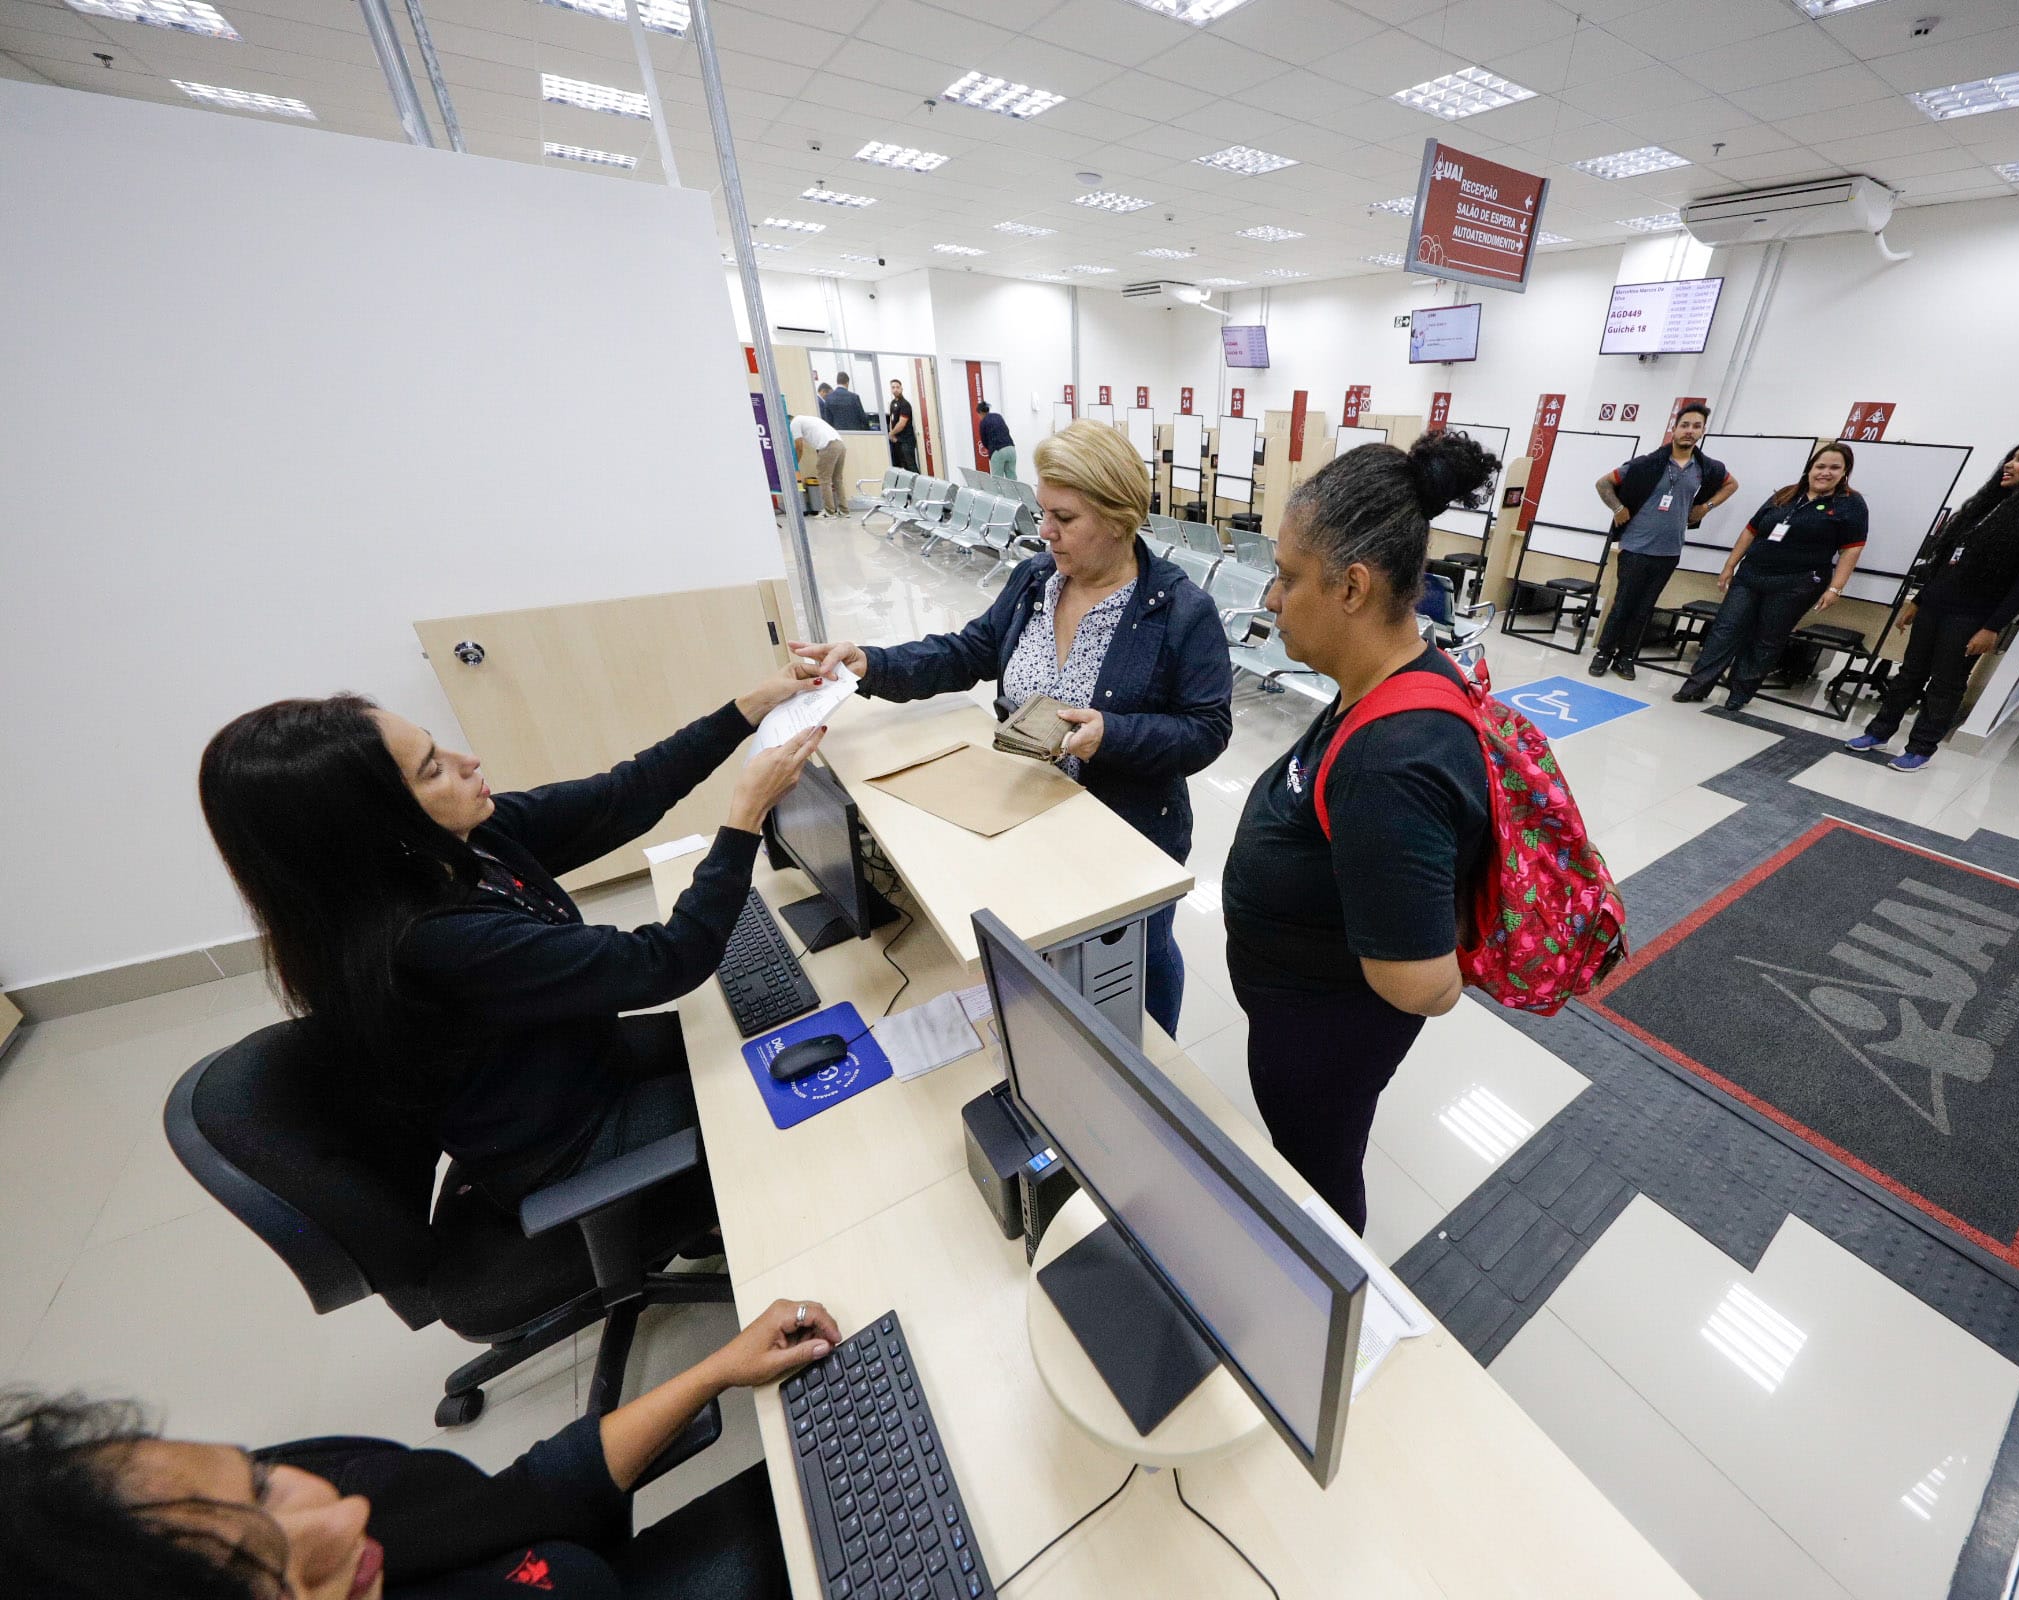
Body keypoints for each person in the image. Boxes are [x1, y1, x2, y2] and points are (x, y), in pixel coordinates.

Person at [197, 667, 825, 1209]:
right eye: (432, 769)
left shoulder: (456, 842)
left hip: (574, 1062)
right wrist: (744, 818)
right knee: (789, 1090)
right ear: (373, 825)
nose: (468, 762)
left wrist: (749, 709)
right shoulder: (431, 941)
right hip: (561, 1138)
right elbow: (664, 962)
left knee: (767, 1035)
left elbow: (621, 795)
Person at [792, 420, 1230, 1035]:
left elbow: (1207, 730)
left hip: (1122, 836)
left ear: (1118, 516)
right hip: (1022, 819)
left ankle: (1154, 1056)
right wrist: (873, 664)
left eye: (1064, 517)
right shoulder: (1036, 582)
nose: (1044, 530)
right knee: (1049, 955)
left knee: (1137, 957)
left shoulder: (1182, 611)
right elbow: (968, 651)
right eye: (1042, 511)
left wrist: (1114, 735)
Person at [0, 1298, 837, 1599]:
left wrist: (714, 1370)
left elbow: (532, 1492)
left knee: (858, 1448)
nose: (343, 1513)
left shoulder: (345, 1510)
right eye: (270, 1585)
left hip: (598, 1578)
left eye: (258, 1481)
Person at [1221, 431, 1504, 1231]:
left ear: (1351, 586)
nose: (1271, 598)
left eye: (1285, 576)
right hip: (1302, 1017)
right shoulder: (1391, 678)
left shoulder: (1395, 761)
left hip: (1326, 1044)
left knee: (1318, 1184)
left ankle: (1327, 1316)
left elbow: (1422, 985)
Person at [1847, 435, 2019, 771]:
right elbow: (1947, 560)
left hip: (1974, 615)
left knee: (1946, 683)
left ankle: (1921, 748)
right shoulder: (1993, 501)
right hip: (1937, 604)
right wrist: (1920, 600)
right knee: (1909, 673)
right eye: (2011, 456)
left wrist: (1993, 627)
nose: (2010, 464)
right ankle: (1879, 732)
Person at [1674, 442, 1867, 712]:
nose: (1825, 472)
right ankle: (1696, 686)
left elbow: (1852, 549)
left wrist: (1835, 588)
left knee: (1767, 638)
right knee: (1724, 630)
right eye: (1820, 466)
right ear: (1810, 468)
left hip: (1796, 583)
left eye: (1835, 468)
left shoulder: (1851, 504)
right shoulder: (1787, 494)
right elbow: (1751, 530)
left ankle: (1739, 693)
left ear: (1845, 471)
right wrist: (1730, 565)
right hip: (1751, 574)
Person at [1586, 402, 1740, 681]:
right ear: (1674, 428)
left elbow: (1732, 485)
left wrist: (1706, 507)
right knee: (1624, 604)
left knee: (1645, 607)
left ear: (1703, 431)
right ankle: (1604, 653)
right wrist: (1619, 510)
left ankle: (1626, 657)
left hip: (1669, 550)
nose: (1689, 431)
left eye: (1696, 426)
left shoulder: (1706, 468)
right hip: (1635, 546)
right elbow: (1603, 484)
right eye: (1685, 425)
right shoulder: (1647, 463)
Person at [788, 410, 846, 518]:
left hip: (828, 446)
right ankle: (844, 511)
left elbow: (799, 447)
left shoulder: (794, 423)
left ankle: (829, 512)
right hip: (840, 445)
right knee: (837, 479)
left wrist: (794, 464)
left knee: (824, 479)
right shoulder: (809, 419)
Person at [976, 401, 1017, 480]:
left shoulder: (983, 422)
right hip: (1011, 448)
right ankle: (1014, 492)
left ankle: (999, 493)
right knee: (1012, 478)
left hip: (997, 450)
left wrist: (991, 449)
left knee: (998, 480)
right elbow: (1006, 430)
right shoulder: (998, 416)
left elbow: (984, 441)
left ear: (980, 413)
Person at [885, 378, 918, 474]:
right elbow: (892, 420)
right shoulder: (892, 403)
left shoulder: (905, 404)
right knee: (902, 468)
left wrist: (891, 433)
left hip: (906, 441)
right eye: (893, 387)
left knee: (911, 467)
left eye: (897, 387)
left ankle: (920, 486)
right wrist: (892, 434)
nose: (895, 389)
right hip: (897, 441)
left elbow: (901, 423)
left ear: (901, 389)